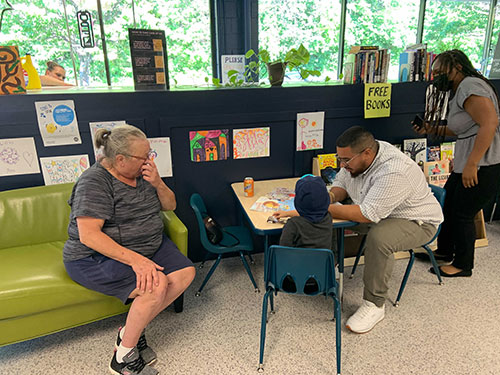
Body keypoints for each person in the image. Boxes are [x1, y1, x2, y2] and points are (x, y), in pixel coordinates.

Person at [277, 126, 443, 333]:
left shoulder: (394, 170)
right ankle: (328, 266)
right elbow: (340, 184)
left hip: (416, 221)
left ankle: (374, 304)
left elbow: (367, 214)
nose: (342, 165)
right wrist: (326, 198)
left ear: (367, 153)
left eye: (346, 160)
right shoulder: (359, 159)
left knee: (379, 239)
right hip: (377, 209)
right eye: (340, 159)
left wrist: (315, 207)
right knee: (326, 216)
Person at [63, 124, 195, 375]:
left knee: (185, 273)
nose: (148, 160)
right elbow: (89, 236)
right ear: (120, 159)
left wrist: (158, 183)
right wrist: (138, 261)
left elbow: (170, 205)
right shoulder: (95, 182)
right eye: (143, 156)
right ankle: (123, 356)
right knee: (154, 285)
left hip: (148, 247)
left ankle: (129, 330)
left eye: (149, 154)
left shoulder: (143, 174)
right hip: (94, 257)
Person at [412, 49, 500, 278]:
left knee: (462, 212)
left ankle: (463, 264)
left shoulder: (471, 87)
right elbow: (464, 128)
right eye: (434, 73)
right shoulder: (460, 89)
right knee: (448, 204)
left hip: (484, 164)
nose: (437, 76)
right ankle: (444, 251)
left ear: (458, 67)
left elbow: (489, 124)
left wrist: (472, 163)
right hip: (467, 162)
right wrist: (431, 128)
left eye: (441, 71)